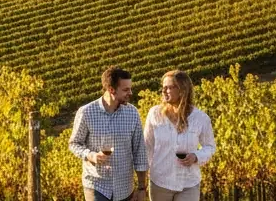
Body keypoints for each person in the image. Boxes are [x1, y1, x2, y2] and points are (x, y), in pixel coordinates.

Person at [69, 66, 149, 201]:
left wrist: (142, 188)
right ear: (111, 89)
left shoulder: (132, 113)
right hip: (96, 185)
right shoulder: (86, 112)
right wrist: (90, 155)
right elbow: (74, 143)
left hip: (124, 188)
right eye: (125, 90)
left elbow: (139, 152)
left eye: (130, 88)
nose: (130, 92)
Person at [143, 70, 216, 201]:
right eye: (163, 87)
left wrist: (196, 157)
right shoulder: (154, 114)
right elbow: (147, 147)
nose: (164, 91)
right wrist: (142, 181)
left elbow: (210, 147)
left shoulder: (200, 118)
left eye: (169, 87)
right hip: (160, 182)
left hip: (188, 183)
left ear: (182, 90)